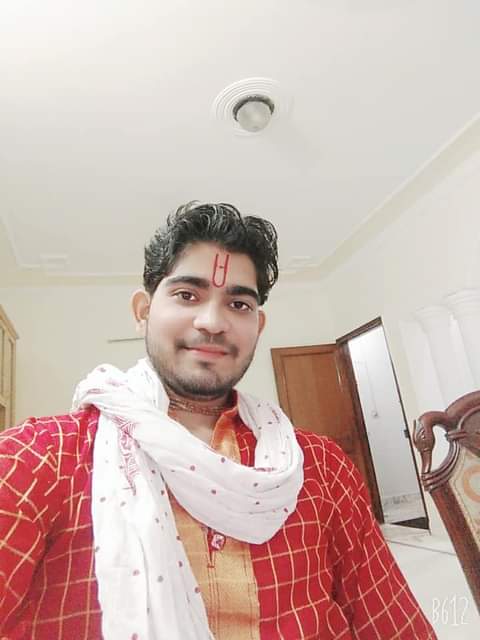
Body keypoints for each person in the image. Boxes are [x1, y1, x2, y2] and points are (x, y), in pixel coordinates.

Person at [0, 201, 436, 640]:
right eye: (187, 295)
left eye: (238, 304)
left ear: (258, 325)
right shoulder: (40, 457)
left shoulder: (320, 466)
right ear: (143, 311)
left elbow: (392, 622)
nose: (212, 322)